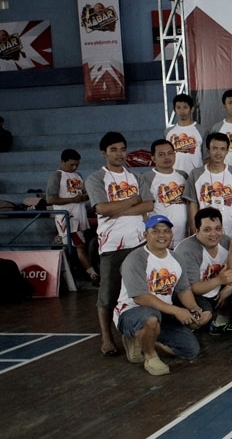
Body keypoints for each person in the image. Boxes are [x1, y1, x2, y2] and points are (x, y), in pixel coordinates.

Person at [86, 132, 152, 356]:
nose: (119, 154)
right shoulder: (96, 179)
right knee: (109, 294)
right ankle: (107, 339)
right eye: (113, 150)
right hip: (112, 245)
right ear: (103, 153)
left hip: (140, 243)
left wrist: (118, 209)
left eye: (122, 149)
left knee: (140, 291)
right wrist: (132, 200)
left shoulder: (136, 177)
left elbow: (148, 205)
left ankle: (138, 335)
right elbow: (102, 208)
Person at [114, 215, 207, 375]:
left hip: (163, 312)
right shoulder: (135, 259)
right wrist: (177, 311)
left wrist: (194, 309)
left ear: (171, 234)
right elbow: (141, 297)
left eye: (166, 231)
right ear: (146, 235)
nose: (161, 235)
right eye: (155, 231)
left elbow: (183, 289)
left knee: (190, 350)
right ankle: (150, 356)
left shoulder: (176, 258)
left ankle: (142, 339)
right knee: (150, 317)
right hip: (131, 312)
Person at [172, 207, 232, 335]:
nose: (214, 234)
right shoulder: (187, 250)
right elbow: (193, 288)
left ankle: (220, 320)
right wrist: (219, 280)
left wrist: (229, 287)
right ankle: (176, 328)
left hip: (216, 288)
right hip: (190, 294)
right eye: (207, 230)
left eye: (217, 229)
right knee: (202, 318)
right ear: (197, 230)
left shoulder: (225, 241)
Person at [184, 132, 232, 240]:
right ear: (208, 150)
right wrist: (193, 232)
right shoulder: (196, 174)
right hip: (205, 233)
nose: (218, 153)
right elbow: (193, 205)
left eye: (222, 149)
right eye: (214, 148)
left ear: (227, 151)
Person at [46, 149, 98, 284]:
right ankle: (92, 274)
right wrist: (73, 199)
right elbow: (50, 199)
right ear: (62, 162)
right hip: (67, 218)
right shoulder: (57, 176)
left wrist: (85, 196)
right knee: (79, 246)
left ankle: (66, 274)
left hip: (80, 216)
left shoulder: (78, 175)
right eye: (71, 165)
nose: (74, 167)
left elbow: (83, 192)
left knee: (75, 246)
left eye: (77, 165)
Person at [140, 139, 189, 249]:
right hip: (159, 237)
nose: (167, 157)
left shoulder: (183, 175)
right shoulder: (146, 178)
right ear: (153, 158)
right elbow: (143, 210)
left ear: (174, 155)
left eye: (170, 153)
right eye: (161, 154)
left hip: (183, 236)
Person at [207, 90, 232, 168]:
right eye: (231, 103)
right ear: (224, 106)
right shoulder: (217, 128)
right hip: (224, 172)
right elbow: (211, 154)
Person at [165, 93, 205, 173]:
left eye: (185, 107)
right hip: (175, 175)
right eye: (178, 108)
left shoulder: (202, 130)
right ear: (174, 110)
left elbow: (207, 157)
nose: (182, 111)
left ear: (192, 109)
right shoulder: (168, 132)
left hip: (195, 175)